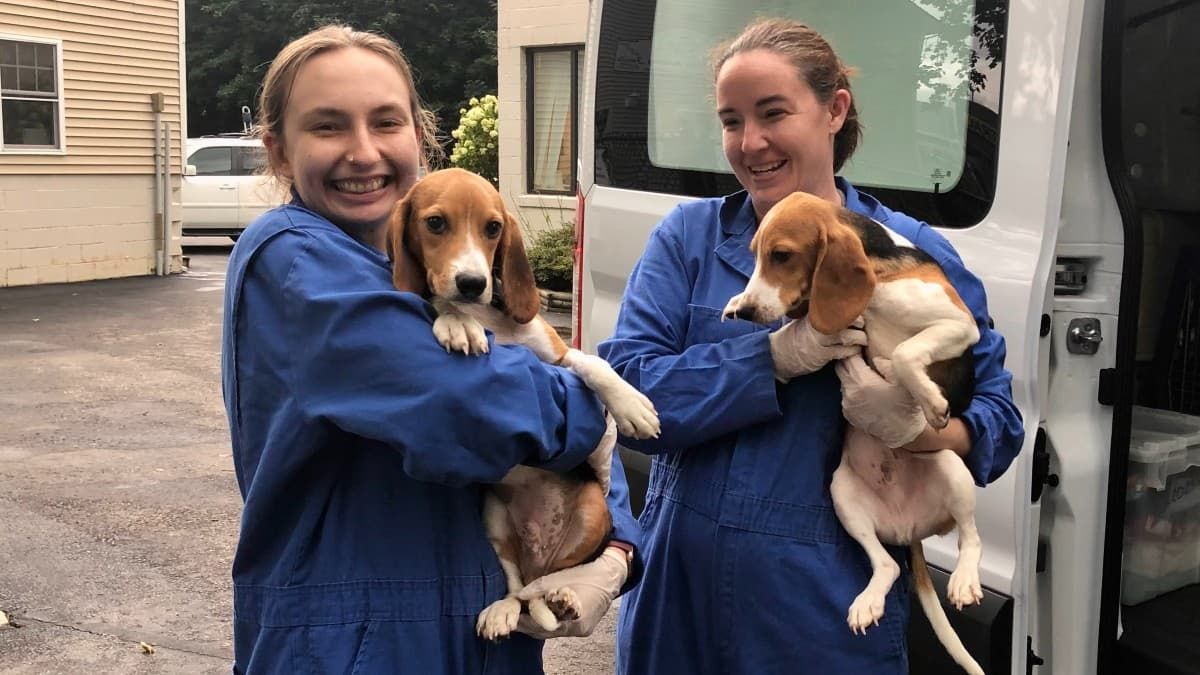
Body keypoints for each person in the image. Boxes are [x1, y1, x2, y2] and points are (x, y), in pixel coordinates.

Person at [599, 17, 1024, 674]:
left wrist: (924, 433)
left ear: (835, 110)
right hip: (678, 599)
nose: (750, 142)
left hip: (825, 611)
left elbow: (999, 416)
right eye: (731, 120)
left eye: (773, 113)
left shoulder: (910, 252)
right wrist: (768, 359)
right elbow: (630, 394)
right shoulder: (685, 239)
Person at [220, 25, 640, 675]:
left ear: (418, 135)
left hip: (480, 627)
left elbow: (570, 461)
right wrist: (588, 406)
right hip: (358, 644)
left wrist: (617, 549)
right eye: (328, 126)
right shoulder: (295, 261)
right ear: (277, 150)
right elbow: (470, 412)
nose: (364, 152)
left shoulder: (408, 274)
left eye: (386, 122)